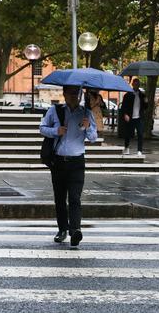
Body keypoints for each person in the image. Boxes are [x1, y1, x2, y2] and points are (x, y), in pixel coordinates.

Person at [39, 85, 98, 247]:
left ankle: (75, 230)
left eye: (77, 93)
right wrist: (55, 131)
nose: (74, 96)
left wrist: (88, 127)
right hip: (58, 161)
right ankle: (62, 229)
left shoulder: (86, 113)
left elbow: (93, 138)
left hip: (77, 162)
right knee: (60, 198)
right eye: (71, 93)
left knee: (74, 197)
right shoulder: (55, 111)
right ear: (64, 94)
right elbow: (42, 128)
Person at [121, 78, 147, 155]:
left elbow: (145, 107)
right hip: (130, 117)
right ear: (132, 85)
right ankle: (126, 147)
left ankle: (139, 150)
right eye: (135, 84)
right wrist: (125, 114)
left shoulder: (142, 95)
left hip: (139, 117)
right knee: (128, 133)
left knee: (140, 133)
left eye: (138, 84)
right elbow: (124, 106)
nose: (137, 86)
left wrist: (146, 101)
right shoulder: (127, 95)